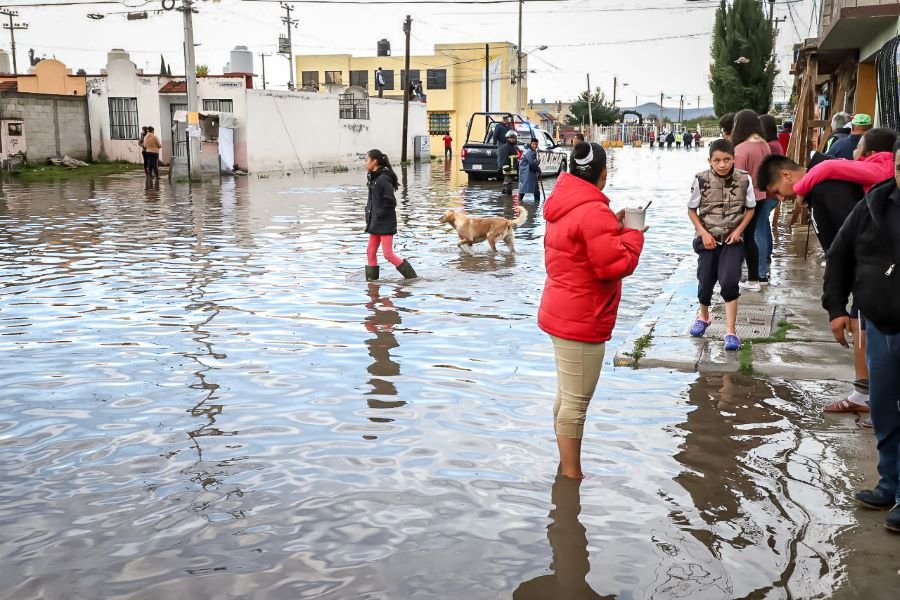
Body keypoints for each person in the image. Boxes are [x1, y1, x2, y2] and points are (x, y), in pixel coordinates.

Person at [538, 141, 645, 479]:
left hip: (561, 309)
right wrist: (634, 234)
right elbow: (614, 264)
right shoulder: (592, 210)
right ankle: (572, 477)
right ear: (603, 173)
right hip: (583, 316)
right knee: (575, 403)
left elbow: (582, 246)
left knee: (566, 395)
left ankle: (564, 468)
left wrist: (612, 228)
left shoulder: (566, 203)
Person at [822, 139, 900, 533]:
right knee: (884, 410)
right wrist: (836, 309)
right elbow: (839, 255)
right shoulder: (872, 207)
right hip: (881, 325)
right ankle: (889, 484)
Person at [688, 139, 756, 351]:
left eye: (727, 159)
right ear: (709, 161)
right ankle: (704, 316)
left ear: (733, 159)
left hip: (732, 241)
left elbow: (750, 209)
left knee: (729, 281)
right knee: (705, 281)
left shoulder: (745, 179)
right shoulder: (700, 180)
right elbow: (691, 210)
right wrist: (703, 233)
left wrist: (738, 231)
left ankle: (730, 331)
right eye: (717, 160)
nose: (722, 164)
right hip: (708, 240)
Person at [794, 127, 898, 197]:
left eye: (858, 147)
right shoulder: (887, 165)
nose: (854, 150)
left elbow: (829, 167)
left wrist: (799, 190)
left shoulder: (880, 168)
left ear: (870, 154)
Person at [731, 109, 771, 291]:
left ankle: (749, 279)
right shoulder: (764, 144)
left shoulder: (741, 149)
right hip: (761, 195)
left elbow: (736, 180)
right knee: (753, 235)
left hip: (746, 198)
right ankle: (757, 277)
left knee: (742, 238)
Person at [364, 149, 417, 281]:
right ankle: (372, 285)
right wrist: (369, 213)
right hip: (375, 222)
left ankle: (412, 278)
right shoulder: (374, 177)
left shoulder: (383, 179)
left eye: (366, 160)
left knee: (388, 254)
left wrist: (379, 213)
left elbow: (390, 201)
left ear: (374, 162)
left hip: (384, 222)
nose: (365, 163)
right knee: (370, 252)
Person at [756, 113, 784, 282]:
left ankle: (760, 273)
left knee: (758, 231)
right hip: (773, 193)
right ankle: (766, 254)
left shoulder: (768, 146)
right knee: (764, 224)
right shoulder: (776, 144)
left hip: (767, 193)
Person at [519, 137, 542, 202]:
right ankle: (536, 203)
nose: (535, 146)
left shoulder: (530, 151)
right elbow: (532, 163)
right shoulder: (529, 152)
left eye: (536, 144)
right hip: (527, 172)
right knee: (525, 189)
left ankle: (537, 203)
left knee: (534, 189)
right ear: (531, 144)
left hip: (528, 172)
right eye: (533, 144)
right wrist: (538, 168)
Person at [498, 130, 520, 195]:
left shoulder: (514, 147)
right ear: (507, 138)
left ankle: (507, 198)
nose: (512, 139)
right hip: (508, 170)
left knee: (509, 184)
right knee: (508, 184)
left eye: (514, 138)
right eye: (511, 138)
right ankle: (507, 200)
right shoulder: (506, 147)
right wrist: (506, 169)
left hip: (512, 169)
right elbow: (503, 159)